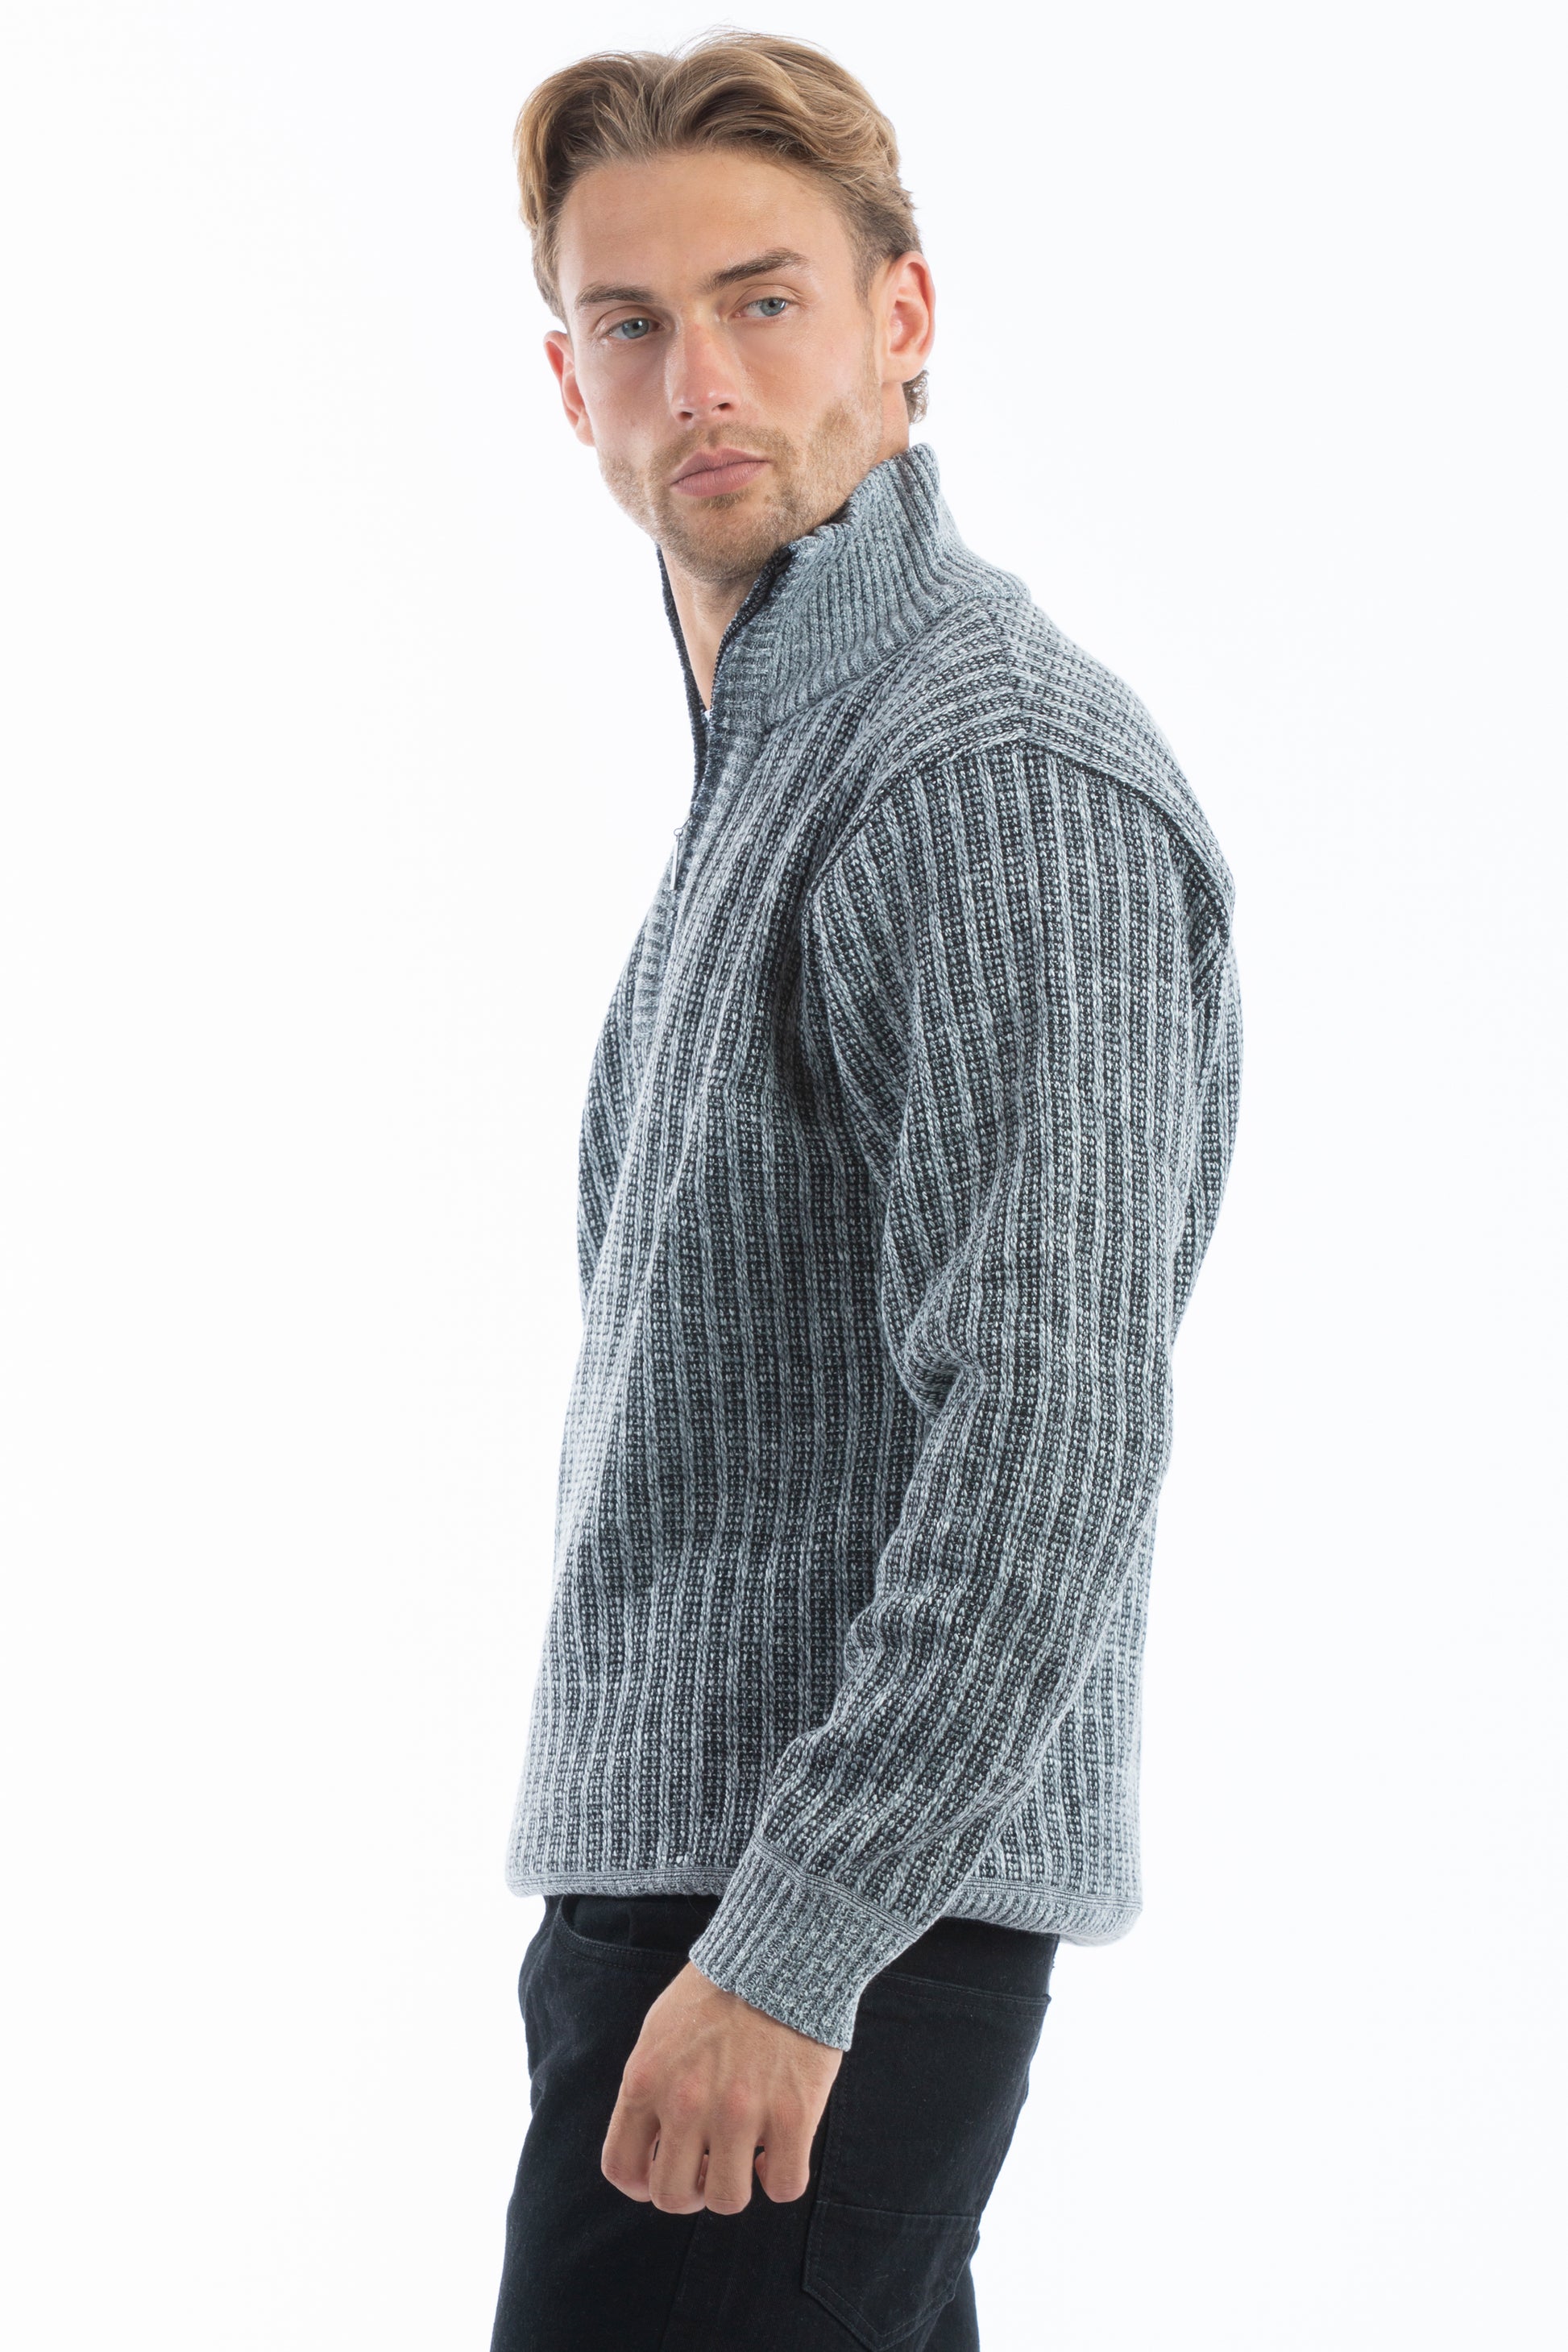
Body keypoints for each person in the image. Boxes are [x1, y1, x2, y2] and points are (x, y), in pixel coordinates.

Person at [489, 31, 1242, 2350]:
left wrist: (795, 1946)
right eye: (633, 324)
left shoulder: (983, 766)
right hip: (706, 1916)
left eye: (764, 300)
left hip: (802, 1937)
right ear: (568, 382)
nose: (699, 379)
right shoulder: (793, 751)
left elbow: (1052, 1425)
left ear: (902, 318)